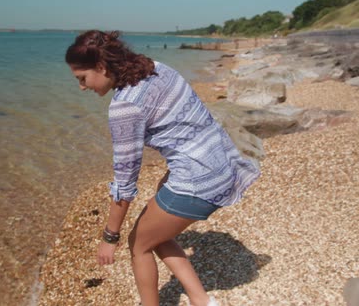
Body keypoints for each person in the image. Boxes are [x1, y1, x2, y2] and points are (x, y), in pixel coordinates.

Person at [65, 30, 260, 306]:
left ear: (100, 66)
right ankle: (201, 300)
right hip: (222, 161)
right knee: (155, 233)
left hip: (198, 178)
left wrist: (110, 236)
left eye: (82, 79)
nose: (82, 87)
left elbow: (125, 181)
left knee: (138, 244)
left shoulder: (124, 106)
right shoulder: (155, 68)